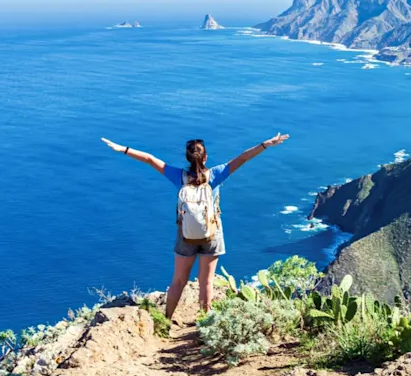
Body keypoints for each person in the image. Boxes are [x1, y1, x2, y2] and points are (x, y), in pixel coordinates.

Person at [100, 133, 290, 319]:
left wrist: (122, 149)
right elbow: (243, 158)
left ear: (187, 158)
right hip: (212, 235)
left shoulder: (179, 176)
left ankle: (166, 321)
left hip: (186, 236)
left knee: (178, 281)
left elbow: (150, 159)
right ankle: (205, 323)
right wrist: (266, 144)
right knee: (206, 282)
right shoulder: (216, 174)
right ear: (205, 157)